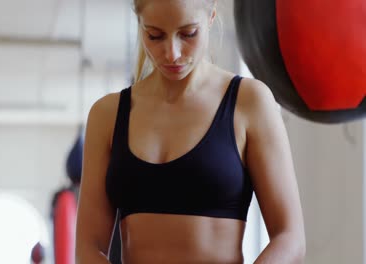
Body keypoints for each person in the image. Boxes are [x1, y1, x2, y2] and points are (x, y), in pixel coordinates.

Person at [75, 0, 306, 263]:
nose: (172, 53)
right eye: (155, 35)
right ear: (140, 26)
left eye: (188, 34)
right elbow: (88, 247)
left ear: (210, 18)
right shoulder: (108, 114)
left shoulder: (249, 101)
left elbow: (290, 237)